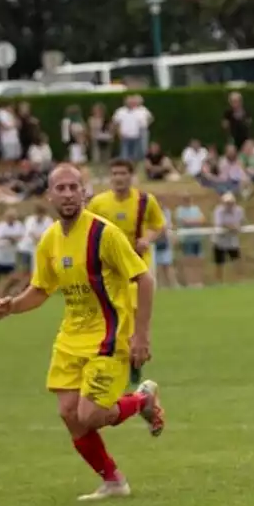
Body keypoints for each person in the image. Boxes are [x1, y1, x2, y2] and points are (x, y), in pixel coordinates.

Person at [0, 164, 165, 501]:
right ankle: (113, 481)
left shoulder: (104, 234)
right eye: (61, 188)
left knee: (91, 415)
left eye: (74, 187)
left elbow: (144, 278)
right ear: (49, 196)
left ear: (84, 193)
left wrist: (141, 335)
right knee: (70, 415)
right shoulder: (50, 240)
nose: (68, 194)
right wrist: (12, 305)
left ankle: (142, 399)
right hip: (71, 336)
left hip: (108, 335)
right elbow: (41, 289)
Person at [87, 159, 167, 386]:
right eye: (114, 173)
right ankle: (117, 360)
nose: (118, 178)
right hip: (109, 271)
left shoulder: (144, 201)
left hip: (136, 269)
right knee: (109, 319)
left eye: (123, 173)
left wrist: (146, 239)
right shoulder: (98, 203)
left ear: (130, 176)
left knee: (133, 318)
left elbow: (159, 225)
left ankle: (134, 362)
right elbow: (86, 227)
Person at [0, 209, 24, 297]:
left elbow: (21, 236)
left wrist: (14, 238)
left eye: (13, 217)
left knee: (14, 278)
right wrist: (11, 237)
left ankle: (2, 293)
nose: (11, 219)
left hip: (10, 258)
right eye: (9, 217)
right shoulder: (0, 226)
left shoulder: (19, 225)